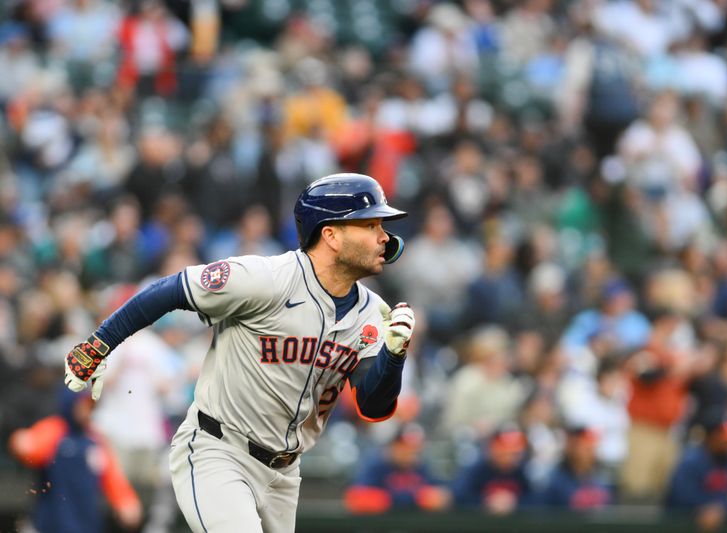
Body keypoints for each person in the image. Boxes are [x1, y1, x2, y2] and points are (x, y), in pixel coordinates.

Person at [63, 173, 417, 532]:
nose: (384, 237)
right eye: (370, 224)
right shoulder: (266, 278)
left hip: (285, 475)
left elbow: (374, 407)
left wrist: (394, 355)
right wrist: (99, 344)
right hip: (219, 451)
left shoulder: (373, 315)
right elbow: (171, 289)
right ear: (331, 235)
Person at [8, 389, 142, 533]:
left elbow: (112, 477)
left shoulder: (95, 440)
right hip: (50, 523)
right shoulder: (54, 429)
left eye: (90, 406)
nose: (86, 410)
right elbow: (30, 449)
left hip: (86, 523)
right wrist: (19, 442)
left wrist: (125, 501)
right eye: (83, 404)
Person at [665, 408, 727, 532]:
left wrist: (721, 508)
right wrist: (724, 504)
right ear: (712, 436)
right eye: (726, 435)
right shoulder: (691, 461)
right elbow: (682, 498)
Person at [344, 423, 451, 514]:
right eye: (406, 447)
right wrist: (417, 499)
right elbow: (358, 498)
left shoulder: (421, 466)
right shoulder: (376, 465)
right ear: (394, 445)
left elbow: (439, 494)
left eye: (416, 448)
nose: (412, 452)